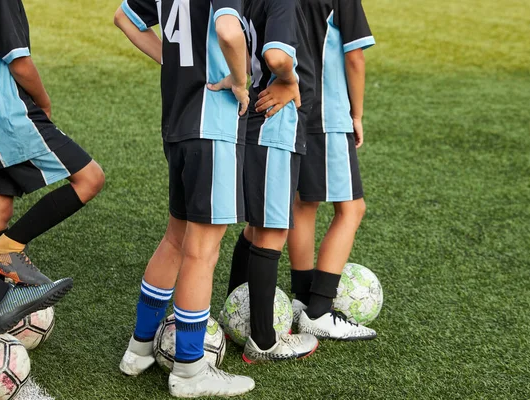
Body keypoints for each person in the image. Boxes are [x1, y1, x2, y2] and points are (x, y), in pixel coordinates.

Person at [114, 0, 255, 397]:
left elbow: (123, 17)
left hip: (178, 124)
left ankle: (139, 350)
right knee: (201, 251)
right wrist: (240, 80)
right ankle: (190, 371)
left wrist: (173, 63)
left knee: (176, 238)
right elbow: (228, 31)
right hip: (213, 124)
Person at [224, 0, 319, 363]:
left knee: (256, 228)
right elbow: (278, 56)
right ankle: (264, 341)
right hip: (273, 124)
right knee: (271, 230)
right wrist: (289, 79)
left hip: (251, 121)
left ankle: (237, 312)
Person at [0, 0, 105, 286]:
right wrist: (43, 102)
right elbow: (19, 64)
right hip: (6, 114)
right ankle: (7, 249)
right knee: (90, 179)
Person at [285, 0, 378, 340]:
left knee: (304, 203)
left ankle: (302, 298)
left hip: (291, 106)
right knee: (352, 208)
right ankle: (320, 309)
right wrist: (357, 113)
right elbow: (354, 56)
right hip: (326, 113)